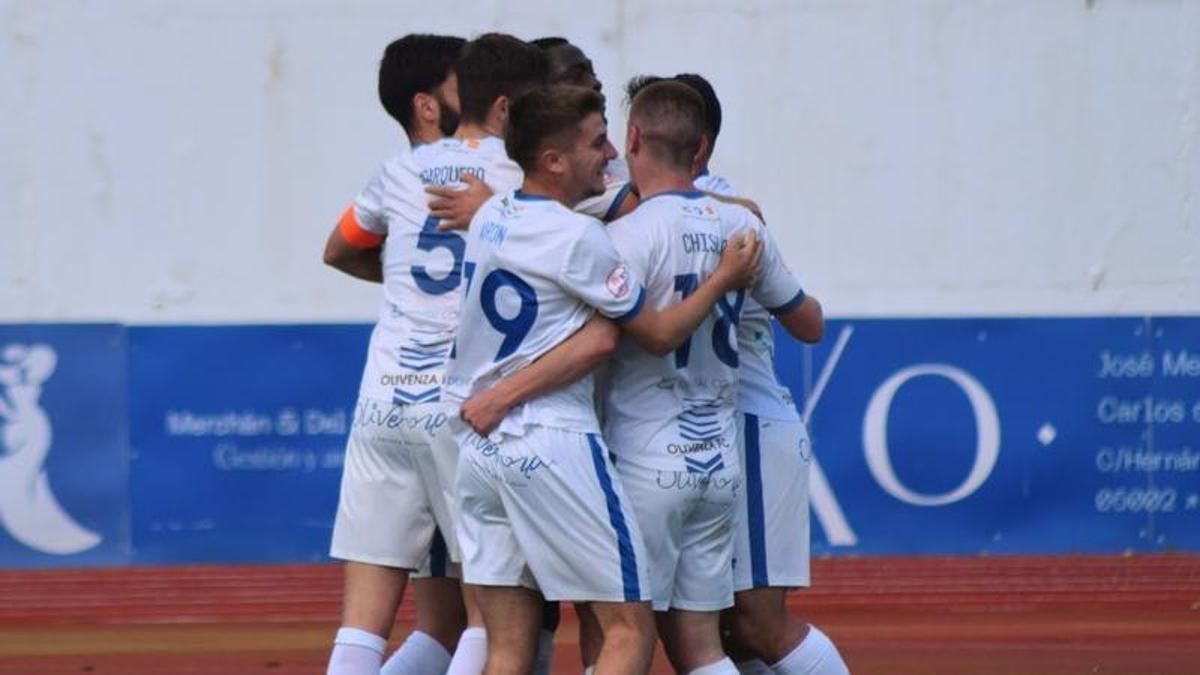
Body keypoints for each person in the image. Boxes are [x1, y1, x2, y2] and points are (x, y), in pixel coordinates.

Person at [444, 83, 762, 675]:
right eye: (596, 144)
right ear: (554, 161)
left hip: (478, 450)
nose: (611, 153)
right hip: (550, 440)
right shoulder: (580, 240)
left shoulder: (492, 215)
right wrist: (723, 277)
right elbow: (646, 334)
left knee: (506, 647)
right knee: (627, 628)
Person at [593, 80, 819, 675]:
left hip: (646, 457)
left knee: (619, 634)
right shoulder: (738, 225)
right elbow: (810, 321)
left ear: (632, 138)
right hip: (714, 457)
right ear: (699, 148)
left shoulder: (625, 235)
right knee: (703, 644)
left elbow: (613, 338)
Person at [322, 33, 469, 675]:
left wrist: (403, 274)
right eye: (464, 81)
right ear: (427, 104)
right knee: (502, 617)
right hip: (461, 404)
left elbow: (338, 248)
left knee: (364, 621)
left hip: (385, 398)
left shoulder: (392, 177)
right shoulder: (497, 168)